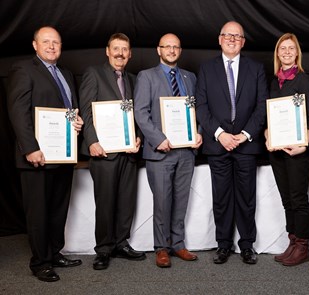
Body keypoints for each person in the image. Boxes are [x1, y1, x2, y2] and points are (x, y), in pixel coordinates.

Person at [6, 26, 84, 282]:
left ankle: (53, 253)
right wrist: (30, 148)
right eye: (46, 42)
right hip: (36, 157)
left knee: (58, 209)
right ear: (35, 44)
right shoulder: (24, 69)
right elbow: (18, 112)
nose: (51, 46)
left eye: (56, 42)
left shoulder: (66, 73)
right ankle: (40, 262)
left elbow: (69, 110)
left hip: (62, 156)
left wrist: (77, 123)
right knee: (38, 212)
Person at [196, 21, 268, 265]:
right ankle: (223, 245)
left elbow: (261, 106)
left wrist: (246, 134)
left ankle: (247, 245)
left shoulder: (256, 69)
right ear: (219, 39)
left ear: (243, 41)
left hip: (246, 144)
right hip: (218, 145)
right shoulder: (206, 69)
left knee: (247, 197)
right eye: (227, 35)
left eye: (237, 36)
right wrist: (219, 134)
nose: (232, 39)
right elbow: (201, 107)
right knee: (222, 197)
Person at [134, 33, 202, 268]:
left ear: (180, 51)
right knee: (162, 201)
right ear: (158, 49)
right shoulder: (146, 77)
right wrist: (158, 138)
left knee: (181, 200)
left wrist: (199, 133)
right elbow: (141, 112)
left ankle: (178, 244)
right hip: (160, 151)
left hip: (186, 151)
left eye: (176, 47)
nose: (172, 50)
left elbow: (198, 110)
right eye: (167, 47)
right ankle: (161, 247)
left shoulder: (190, 77)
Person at [79, 33, 146, 270]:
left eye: (124, 49)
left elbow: (139, 115)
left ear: (130, 54)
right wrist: (92, 141)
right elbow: (86, 111)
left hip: (128, 152)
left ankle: (121, 242)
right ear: (107, 51)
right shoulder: (93, 74)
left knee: (126, 201)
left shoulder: (135, 79)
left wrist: (138, 136)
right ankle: (104, 249)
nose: (120, 53)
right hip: (103, 152)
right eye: (116, 48)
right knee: (106, 201)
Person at [264, 33, 309, 266]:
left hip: (296, 152)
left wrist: (302, 145)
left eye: (290, 48)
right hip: (277, 152)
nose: (286, 52)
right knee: (287, 199)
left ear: (297, 53)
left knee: (298, 198)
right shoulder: (274, 82)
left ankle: (303, 245)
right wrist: (267, 137)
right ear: (277, 53)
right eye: (282, 48)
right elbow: (269, 117)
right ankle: (292, 240)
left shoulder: (303, 80)